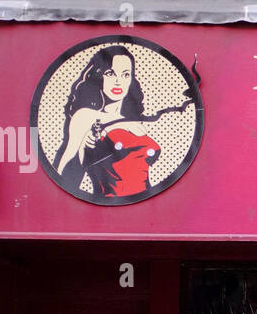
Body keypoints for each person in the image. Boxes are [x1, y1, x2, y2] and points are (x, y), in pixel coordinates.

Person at [52, 46, 190, 200]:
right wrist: (84, 147)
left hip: (146, 203)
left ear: (131, 79)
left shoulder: (133, 119)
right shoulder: (86, 116)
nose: (118, 81)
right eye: (110, 73)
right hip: (111, 206)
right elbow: (64, 176)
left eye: (125, 75)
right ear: (99, 76)